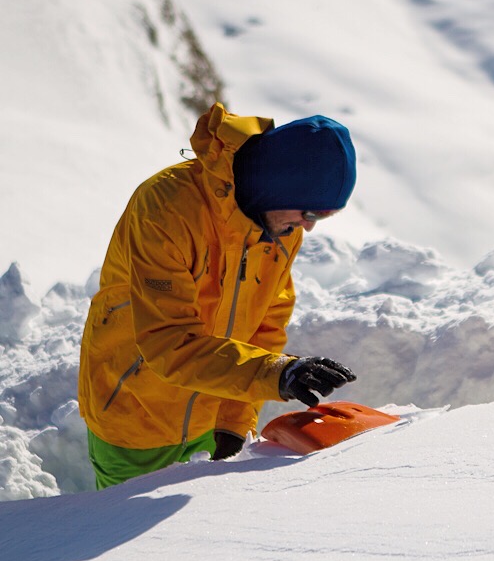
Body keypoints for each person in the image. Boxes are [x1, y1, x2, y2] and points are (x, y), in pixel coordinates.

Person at [78, 102, 359, 489]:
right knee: (111, 540)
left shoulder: (279, 226)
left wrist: (233, 418)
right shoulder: (166, 209)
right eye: (309, 212)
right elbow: (168, 341)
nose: (308, 228)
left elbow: (265, 323)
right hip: (134, 411)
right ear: (278, 185)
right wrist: (273, 374)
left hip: (211, 413)